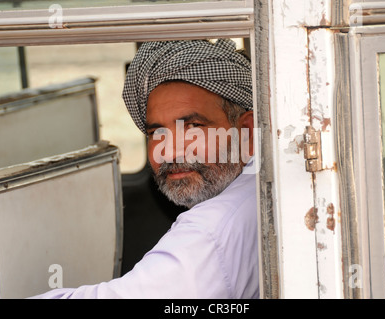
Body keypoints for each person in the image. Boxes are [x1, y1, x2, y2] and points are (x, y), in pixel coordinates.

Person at [31, 39, 259, 299]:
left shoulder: (209, 231)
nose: (170, 151)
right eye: (156, 132)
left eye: (193, 127)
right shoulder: (258, 187)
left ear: (246, 132)